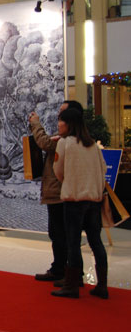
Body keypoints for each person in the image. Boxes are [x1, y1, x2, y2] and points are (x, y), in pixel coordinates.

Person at [51, 108, 108, 299]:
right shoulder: (93, 145)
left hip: (74, 199)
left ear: (68, 123)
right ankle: (102, 285)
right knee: (96, 241)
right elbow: (103, 169)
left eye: (61, 121)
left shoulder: (65, 143)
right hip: (94, 200)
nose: (58, 124)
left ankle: (72, 285)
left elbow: (58, 171)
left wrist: (70, 182)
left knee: (73, 242)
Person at [28, 100, 84, 283]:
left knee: (61, 235)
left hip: (60, 193)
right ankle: (67, 271)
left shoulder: (66, 140)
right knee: (63, 234)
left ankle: (64, 271)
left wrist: (35, 124)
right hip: (66, 193)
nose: (58, 118)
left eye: (62, 114)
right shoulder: (79, 139)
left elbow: (45, 143)